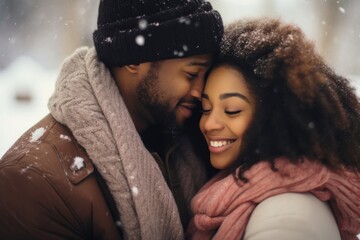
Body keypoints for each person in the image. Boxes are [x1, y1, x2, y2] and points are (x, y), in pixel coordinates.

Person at [0, 1, 223, 239]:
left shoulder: (195, 137)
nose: (200, 91)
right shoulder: (35, 181)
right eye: (191, 74)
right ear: (134, 59)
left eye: (206, 75)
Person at [187, 18, 360, 240]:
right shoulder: (239, 189)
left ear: (274, 117)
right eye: (206, 108)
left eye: (231, 110)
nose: (209, 124)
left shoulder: (289, 216)